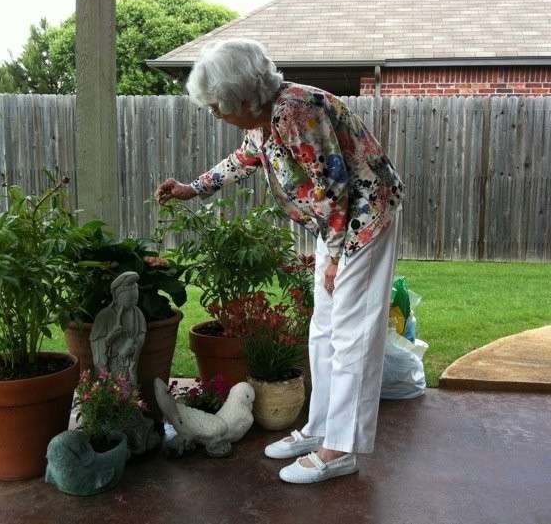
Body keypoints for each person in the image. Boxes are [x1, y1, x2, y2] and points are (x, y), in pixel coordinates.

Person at [155, 38, 404, 484]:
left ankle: (340, 449)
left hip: (364, 218)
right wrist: (193, 188)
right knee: (323, 328)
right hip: (337, 224)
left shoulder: (294, 111)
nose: (215, 114)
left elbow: (332, 186)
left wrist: (334, 256)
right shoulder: (265, 119)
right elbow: (243, 159)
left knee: (351, 334)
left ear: (241, 96)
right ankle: (320, 427)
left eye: (216, 105)